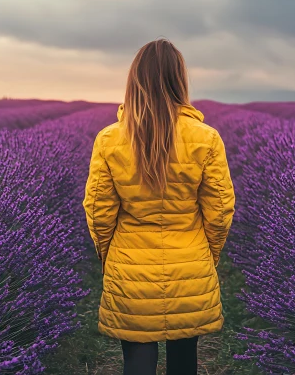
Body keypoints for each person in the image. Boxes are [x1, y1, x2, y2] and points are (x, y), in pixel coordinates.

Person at [82, 38, 236, 375]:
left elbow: (98, 211)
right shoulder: (206, 138)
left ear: (134, 80)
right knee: (184, 360)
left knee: (136, 362)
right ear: (179, 80)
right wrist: (208, 254)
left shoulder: (109, 140)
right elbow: (220, 210)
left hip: (130, 264)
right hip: (190, 262)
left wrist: (108, 256)